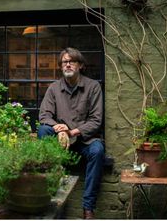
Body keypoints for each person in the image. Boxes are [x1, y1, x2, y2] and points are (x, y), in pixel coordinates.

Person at [38, 47, 105, 219]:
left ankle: (88, 208)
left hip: (84, 141)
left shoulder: (93, 87)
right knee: (43, 130)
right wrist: (58, 129)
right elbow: (44, 115)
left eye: (71, 61)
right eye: (64, 62)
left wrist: (71, 132)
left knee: (98, 151)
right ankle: (50, 194)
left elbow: (96, 121)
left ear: (80, 65)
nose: (67, 65)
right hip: (60, 144)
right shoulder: (53, 88)